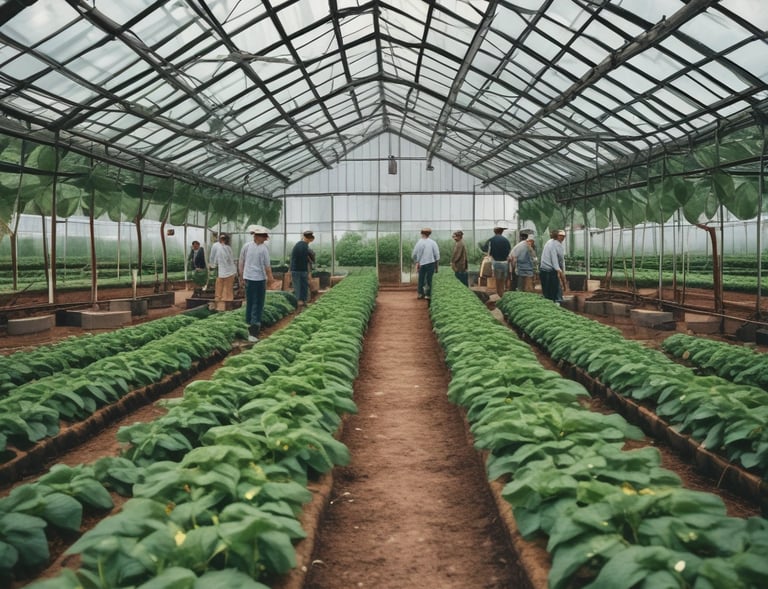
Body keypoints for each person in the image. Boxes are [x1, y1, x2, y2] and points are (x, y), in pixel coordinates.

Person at [239, 225, 274, 342]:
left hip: (249, 278)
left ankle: (249, 323)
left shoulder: (246, 246)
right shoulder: (263, 249)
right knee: (258, 303)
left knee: (250, 301)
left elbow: (241, 262)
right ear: (257, 236)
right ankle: (254, 331)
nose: (265, 239)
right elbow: (267, 266)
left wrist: (242, 276)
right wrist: (271, 279)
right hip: (259, 279)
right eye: (264, 237)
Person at [481, 225, 512, 298]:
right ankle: (503, 292)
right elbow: (509, 251)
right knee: (504, 279)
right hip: (505, 263)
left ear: (494, 232)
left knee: (498, 280)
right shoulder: (506, 240)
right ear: (502, 232)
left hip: (496, 262)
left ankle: (499, 294)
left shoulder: (491, 240)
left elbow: (486, 250)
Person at [209, 233, 237, 311]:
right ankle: (220, 306)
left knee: (227, 290)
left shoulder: (227, 248)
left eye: (224, 239)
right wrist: (212, 265)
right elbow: (213, 256)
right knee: (220, 289)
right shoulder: (216, 246)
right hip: (222, 271)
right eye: (221, 238)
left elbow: (230, 260)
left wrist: (212, 264)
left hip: (228, 272)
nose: (222, 240)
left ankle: (226, 306)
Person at [539, 229, 567, 303]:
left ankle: (549, 303)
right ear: (556, 236)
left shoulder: (550, 242)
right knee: (555, 291)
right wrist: (562, 274)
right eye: (561, 236)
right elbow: (557, 262)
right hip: (550, 271)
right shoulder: (557, 245)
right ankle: (558, 303)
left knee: (547, 292)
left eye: (563, 236)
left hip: (543, 270)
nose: (562, 238)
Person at [411, 227, 440, 300]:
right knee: (429, 279)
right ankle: (428, 294)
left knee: (421, 279)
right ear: (429, 234)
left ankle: (420, 294)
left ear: (422, 233)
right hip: (431, 263)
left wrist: (416, 261)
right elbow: (437, 254)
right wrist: (436, 266)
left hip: (421, 263)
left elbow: (414, 254)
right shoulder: (433, 242)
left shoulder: (419, 242)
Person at [290, 230, 316, 307]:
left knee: (302, 285)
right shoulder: (304, 246)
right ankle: (300, 301)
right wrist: (309, 271)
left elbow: (307, 259)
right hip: (298, 269)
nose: (310, 241)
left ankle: (302, 301)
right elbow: (310, 259)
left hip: (299, 269)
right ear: (306, 238)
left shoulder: (300, 245)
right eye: (310, 239)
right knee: (300, 286)